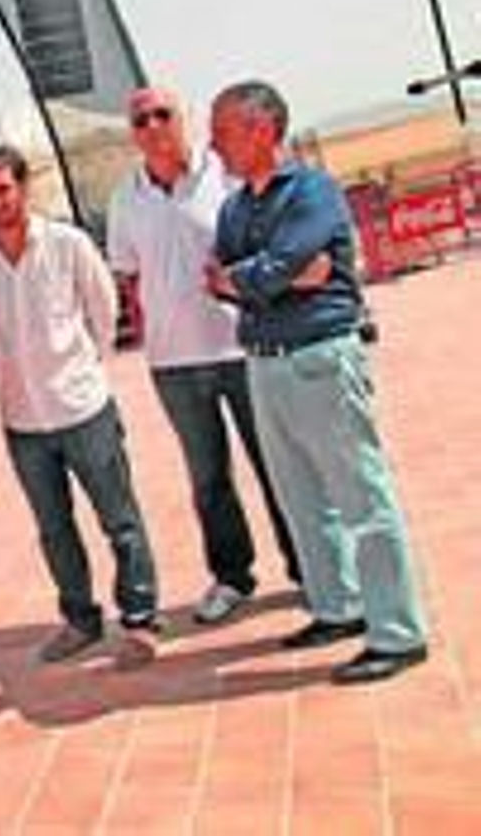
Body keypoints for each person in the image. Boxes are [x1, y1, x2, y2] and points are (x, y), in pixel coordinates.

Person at [207, 80, 427, 684]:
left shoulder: (313, 191)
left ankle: (398, 632)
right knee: (301, 499)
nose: (213, 143)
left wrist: (259, 276)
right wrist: (269, 276)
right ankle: (338, 607)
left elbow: (290, 269)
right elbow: (233, 275)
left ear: (261, 129)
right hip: (265, 361)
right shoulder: (234, 208)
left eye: (223, 130)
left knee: (361, 497)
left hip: (321, 359)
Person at [106, 86, 302, 624]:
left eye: (162, 114)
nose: (151, 126)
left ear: (184, 118)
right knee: (208, 479)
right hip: (173, 364)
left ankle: (309, 567)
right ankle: (232, 576)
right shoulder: (125, 200)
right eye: (140, 119)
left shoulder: (226, 176)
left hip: (244, 347)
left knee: (275, 464)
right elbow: (129, 276)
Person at [0, 145, 162, 665]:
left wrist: (90, 368)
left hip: (82, 407)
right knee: (53, 528)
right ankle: (80, 618)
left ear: (23, 187)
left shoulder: (67, 243)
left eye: (3, 190)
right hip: (22, 418)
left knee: (119, 518)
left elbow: (103, 306)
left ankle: (140, 615)